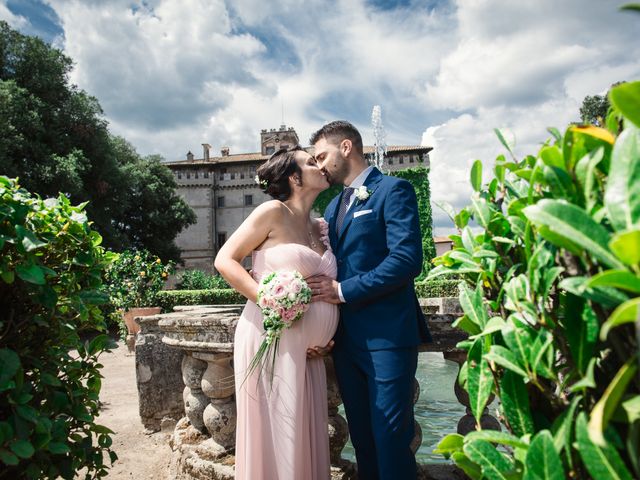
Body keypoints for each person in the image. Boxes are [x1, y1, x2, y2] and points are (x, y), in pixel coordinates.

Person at [307, 120, 431, 480]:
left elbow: (407, 260)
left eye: (322, 156)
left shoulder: (394, 190)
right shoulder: (333, 208)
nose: (319, 165)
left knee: (392, 439)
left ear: (346, 147)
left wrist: (344, 292)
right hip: (345, 342)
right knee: (362, 440)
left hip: (387, 337)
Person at [214, 145, 338, 480]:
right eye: (312, 162)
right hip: (270, 336)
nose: (321, 166)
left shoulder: (320, 227)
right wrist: (272, 302)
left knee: (302, 432)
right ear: (294, 177)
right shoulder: (272, 212)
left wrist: (329, 336)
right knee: (280, 433)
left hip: (309, 354)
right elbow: (225, 260)